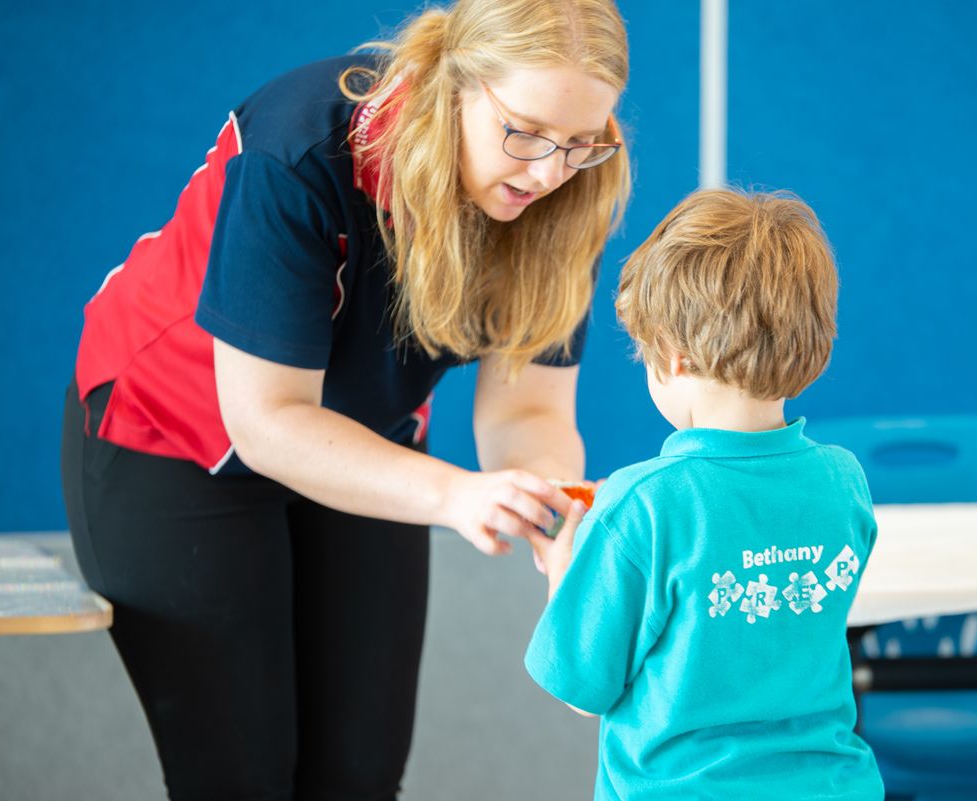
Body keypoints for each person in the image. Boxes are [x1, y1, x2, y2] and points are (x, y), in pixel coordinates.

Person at [59, 1, 630, 798]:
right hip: (176, 432)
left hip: (366, 434)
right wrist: (457, 495)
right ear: (454, 84)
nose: (546, 172)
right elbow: (267, 422)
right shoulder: (299, 148)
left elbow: (527, 412)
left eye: (580, 142)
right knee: (240, 779)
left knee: (359, 775)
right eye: (525, 133)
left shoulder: (567, 191)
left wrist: (553, 510)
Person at [525, 189, 884, 801]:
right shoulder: (842, 481)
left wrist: (564, 565)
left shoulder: (642, 503)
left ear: (673, 357)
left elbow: (584, 688)